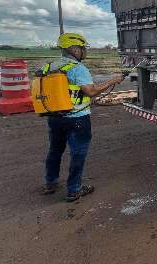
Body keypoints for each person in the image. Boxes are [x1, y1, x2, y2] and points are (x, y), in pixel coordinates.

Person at [42, 33, 124, 202]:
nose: (84, 52)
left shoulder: (50, 66)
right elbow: (91, 91)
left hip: (55, 117)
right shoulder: (77, 68)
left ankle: (50, 183)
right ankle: (74, 190)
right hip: (77, 119)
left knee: (54, 151)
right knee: (77, 154)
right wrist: (112, 81)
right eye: (82, 48)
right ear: (73, 49)